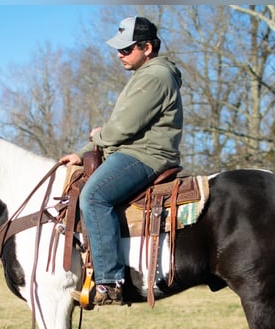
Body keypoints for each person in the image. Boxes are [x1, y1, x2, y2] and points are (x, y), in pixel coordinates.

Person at [61, 16, 183, 306]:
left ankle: (109, 281)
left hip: (146, 155)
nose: (119, 54)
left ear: (148, 48)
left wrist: (100, 136)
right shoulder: (144, 76)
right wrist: (83, 151)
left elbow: (122, 128)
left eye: (126, 49)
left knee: (94, 196)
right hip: (133, 150)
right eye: (119, 49)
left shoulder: (156, 77)